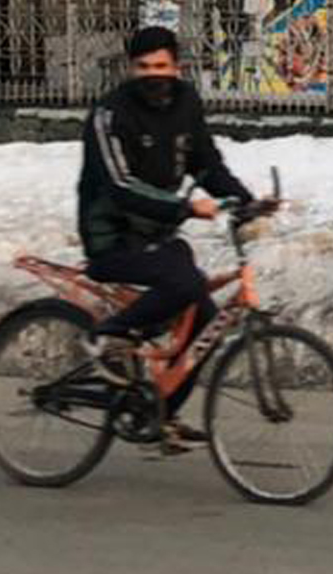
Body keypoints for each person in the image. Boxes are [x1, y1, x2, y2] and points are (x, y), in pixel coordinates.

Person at [78, 26, 255, 440]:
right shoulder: (109, 114)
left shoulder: (186, 102)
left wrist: (243, 199)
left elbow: (205, 162)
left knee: (204, 320)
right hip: (112, 237)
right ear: (130, 69)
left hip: (157, 234)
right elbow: (119, 186)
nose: (152, 74)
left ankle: (159, 414)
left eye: (160, 65)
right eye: (142, 67)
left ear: (177, 67)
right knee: (187, 281)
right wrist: (186, 207)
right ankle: (107, 335)